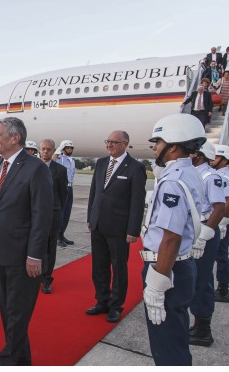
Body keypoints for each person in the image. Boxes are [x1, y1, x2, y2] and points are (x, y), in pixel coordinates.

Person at [142, 113, 206, 366]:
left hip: (166, 266)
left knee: (166, 342)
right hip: (179, 264)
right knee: (175, 335)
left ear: (174, 145)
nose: (155, 147)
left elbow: (171, 237)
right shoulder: (190, 174)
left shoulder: (173, 182)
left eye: (158, 141)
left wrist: (157, 284)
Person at [0, 117, 53, 366]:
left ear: (14, 138)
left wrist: (35, 255)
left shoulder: (36, 168)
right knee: (8, 309)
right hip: (0, 251)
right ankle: (22, 357)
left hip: (23, 255)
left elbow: (42, 215)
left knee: (17, 310)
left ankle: (10, 359)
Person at [86, 130, 146, 323]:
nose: (109, 145)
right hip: (98, 225)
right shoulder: (102, 163)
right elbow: (94, 193)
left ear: (125, 144)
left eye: (114, 142)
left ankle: (116, 306)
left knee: (118, 269)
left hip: (119, 228)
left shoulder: (135, 168)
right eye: (107, 142)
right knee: (99, 267)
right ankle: (102, 301)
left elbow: (137, 201)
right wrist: (90, 217)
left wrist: (133, 230)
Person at [188, 141, 226, 347]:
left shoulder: (211, 177)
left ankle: (204, 330)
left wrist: (204, 235)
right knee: (195, 278)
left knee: (202, 279)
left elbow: (219, 208)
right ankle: (198, 323)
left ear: (200, 156)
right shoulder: (195, 174)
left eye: (193, 153)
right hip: (196, 227)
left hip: (205, 229)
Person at [38, 139, 68, 294]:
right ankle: (34, 276)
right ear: (39, 149)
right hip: (33, 216)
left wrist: (56, 211)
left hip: (52, 215)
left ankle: (46, 279)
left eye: (49, 149)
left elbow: (63, 196)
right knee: (34, 246)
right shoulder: (31, 167)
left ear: (54, 150)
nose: (45, 152)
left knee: (50, 248)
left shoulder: (60, 170)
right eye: (43, 149)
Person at [210, 144, 229, 303]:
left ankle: (223, 289)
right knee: (221, 255)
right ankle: (223, 286)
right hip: (221, 221)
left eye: (217, 157)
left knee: (220, 255)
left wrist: (222, 222)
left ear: (224, 159)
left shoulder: (223, 177)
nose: (213, 159)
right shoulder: (221, 174)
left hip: (220, 222)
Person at [53, 139, 76, 246]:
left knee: (67, 212)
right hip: (61, 188)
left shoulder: (72, 160)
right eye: (67, 148)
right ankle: (57, 237)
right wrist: (59, 149)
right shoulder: (58, 158)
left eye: (71, 148)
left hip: (70, 188)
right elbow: (52, 161)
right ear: (63, 148)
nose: (70, 149)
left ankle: (62, 235)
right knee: (60, 212)